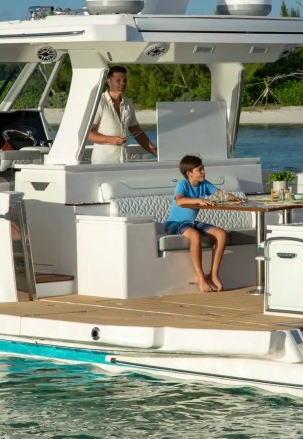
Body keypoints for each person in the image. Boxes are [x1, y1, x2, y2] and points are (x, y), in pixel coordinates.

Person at [164, 155, 244, 293]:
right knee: (195, 236)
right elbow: (179, 201)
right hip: (175, 224)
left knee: (221, 234)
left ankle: (213, 275)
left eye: (203, 169)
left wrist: (235, 198)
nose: (203, 172)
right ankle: (200, 278)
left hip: (191, 223)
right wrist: (198, 201)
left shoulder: (204, 184)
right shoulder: (183, 184)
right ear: (189, 173)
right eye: (199, 170)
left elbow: (220, 194)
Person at [88, 65, 158, 164]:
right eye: (118, 80)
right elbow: (88, 134)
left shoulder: (128, 103)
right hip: (102, 163)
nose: (122, 83)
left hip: (124, 161)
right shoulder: (100, 102)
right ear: (108, 81)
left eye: (124, 80)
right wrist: (111, 140)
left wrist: (157, 152)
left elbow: (138, 133)